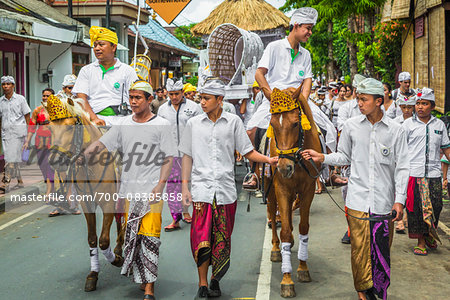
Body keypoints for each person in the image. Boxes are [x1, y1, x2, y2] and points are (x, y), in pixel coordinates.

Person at [302, 78, 409, 300]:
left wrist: (399, 200)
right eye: (358, 99)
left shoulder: (396, 130)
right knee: (359, 249)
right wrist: (322, 157)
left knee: (381, 250)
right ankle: (362, 292)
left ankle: (377, 288)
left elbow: (402, 167)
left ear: (379, 101)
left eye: (364, 99)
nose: (359, 103)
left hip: (384, 202)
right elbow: (344, 156)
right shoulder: (351, 126)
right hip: (357, 199)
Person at [179, 78, 278, 299]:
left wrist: (269, 160)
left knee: (222, 239)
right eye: (201, 98)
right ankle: (202, 283)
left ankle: (215, 280)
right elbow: (186, 156)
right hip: (201, 191)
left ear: (220, 99)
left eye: (206, 98)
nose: (201, 102)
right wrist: (185, 187)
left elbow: (248, 151)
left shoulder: (233, 122)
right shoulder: (193, 124)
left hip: (225, 191)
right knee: (201, 239)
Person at [81, 81, 175, 300]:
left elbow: (168, 158)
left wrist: (160, 185)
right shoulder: (123, 123)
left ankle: (149, 289)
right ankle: (143, 277)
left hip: (151, 191)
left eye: (138, 97)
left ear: (150, 100)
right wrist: (84, 153)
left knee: (150, 237)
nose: (133, 101)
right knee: (134, 239)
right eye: (131, 97)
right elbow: (103, 144)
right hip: (129, 192)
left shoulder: (161, 124)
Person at [402, 87, 450, 256]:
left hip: (434, 174)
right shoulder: (407, 125)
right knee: (416, 209)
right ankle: (421, 241)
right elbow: (401, 151)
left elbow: (446, 148)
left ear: (432, 106)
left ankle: (430, 233)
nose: (420, 107)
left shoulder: (440, 125)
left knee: (436, 206)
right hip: (414, 173)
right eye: (418, 103)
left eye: (424, 103)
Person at [158, 78, 203, 232]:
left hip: (189, 153)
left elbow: (200, 128)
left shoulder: (194, 107)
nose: (174, 97)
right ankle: (175, 219)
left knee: (189, 184)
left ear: (182, 93)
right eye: (171, 94)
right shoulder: (162, 110)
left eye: (177, 94)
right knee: (172, 187)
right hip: (170, 153)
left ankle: (187, 211)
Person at [72, 26, 138, 126]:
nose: (97, 48)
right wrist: (94, 119)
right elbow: (81, 98)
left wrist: (134, 120)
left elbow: (136, 97)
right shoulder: (86, 70)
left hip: (122, 120)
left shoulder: (127, 70)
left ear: (113, 47)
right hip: (94, 121)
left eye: (101, 45)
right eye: (95, 45)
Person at [0, 76, 31, 191]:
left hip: (18, 134)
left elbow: (27, 116)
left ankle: (5, 183)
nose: (6, 86)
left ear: (13, 86)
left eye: (8, 84)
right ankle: (20, 182)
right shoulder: (0, 101)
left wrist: (29, 135)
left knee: (10, 158)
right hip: (6, 134)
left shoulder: (20, 99)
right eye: (4, 84)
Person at [23, 88, 55, 198]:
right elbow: (32, 127)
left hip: (53, 142)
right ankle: (51, 188)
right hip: (40, 142)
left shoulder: (57, 111)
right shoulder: (37, 110)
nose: (45, 98)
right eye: (44, 95)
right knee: (43, 167)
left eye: (48, 96)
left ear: (53, 97)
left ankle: (49, 192)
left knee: (50, 166)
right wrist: (27, 141)